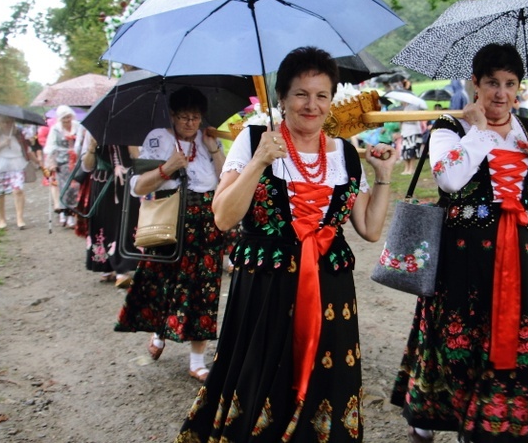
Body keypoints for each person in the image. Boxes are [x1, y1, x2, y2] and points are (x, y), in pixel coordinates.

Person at [174, 47, 396, 443]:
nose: (312, 105)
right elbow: (223, 216)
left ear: (332, 99)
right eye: (301, 94)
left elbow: (369, 228)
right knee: (263, 379)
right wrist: (259, 162)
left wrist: (382, 176)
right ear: (281, 98)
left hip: (330, 292)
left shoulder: (345, 152)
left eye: (322, 95)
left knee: (326, 383)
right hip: (266, 288)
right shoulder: (254, 140)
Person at [390, 43, 528, 443]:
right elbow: (448, 180)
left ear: (519, 87)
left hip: (520, 254)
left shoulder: (527, 129)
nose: (500, 93)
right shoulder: (450, 128)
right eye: (491, 83)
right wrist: (481, 133)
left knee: (514, 346)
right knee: (459, 341)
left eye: (509, 84)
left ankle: (490, 427)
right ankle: (436, 418)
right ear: (475, 83)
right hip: (462, 254)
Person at [115, 86, 226, 382]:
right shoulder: (159, 138)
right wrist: (167, 168)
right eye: (184, 117)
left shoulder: (207, 139)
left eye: (196, 117)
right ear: (173, 116)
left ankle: (197, 360)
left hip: (207, 222)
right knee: (165, 284)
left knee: (205, 290)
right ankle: (160, 331)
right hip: (171, 220)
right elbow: (137, 186)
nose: (191, 123)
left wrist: (214, 148)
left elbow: (226, 180)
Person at [79, 134, 139, 285]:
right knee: (103, 223)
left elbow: (139, 159)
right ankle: (105, 267)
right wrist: (92, 148)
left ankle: (122, 269)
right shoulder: (92, 132)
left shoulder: (128, 130)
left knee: (125, 222)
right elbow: (86, 167)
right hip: (102, 183)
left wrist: (132, 148)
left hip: (125, 183)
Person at [0, 116, 39, 229]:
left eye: (9, 122)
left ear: (13, 122)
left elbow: (27, 149)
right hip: (0, 165)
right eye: (4, 122)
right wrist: (2, 145)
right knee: (0, 193)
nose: (6, 124)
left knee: (18, 190)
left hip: (17, 164)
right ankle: (2, 219)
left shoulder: (19, 134)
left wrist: (38, 162)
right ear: (0, 123)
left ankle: (20, 218)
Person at [43, 105, 81, 228]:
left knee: (75, 188)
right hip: (62, 162)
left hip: (77, 161)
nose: (67, 120)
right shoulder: (55, 129)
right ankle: (65, 213)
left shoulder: (78, 126)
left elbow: (82, 142)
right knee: (65, 188)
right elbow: (50, 147)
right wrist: (51, 163)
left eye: (68, 117)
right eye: (64, 118)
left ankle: (72, 214)